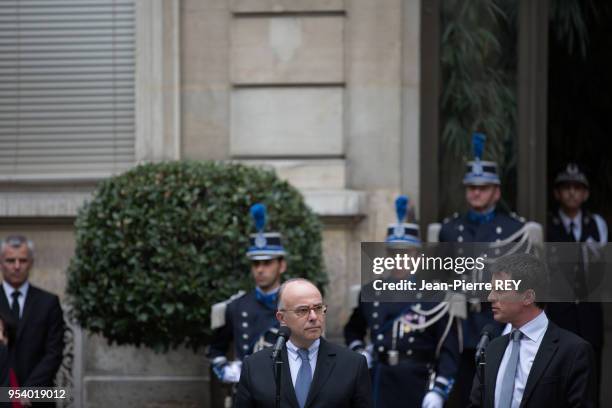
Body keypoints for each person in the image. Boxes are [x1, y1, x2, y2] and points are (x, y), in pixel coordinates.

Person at [344, 195, 459, 408]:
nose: (399, 259)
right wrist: (359, 351)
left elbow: (449, 351)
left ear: (416, 255)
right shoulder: (371, 292)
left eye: (405, 253)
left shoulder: (434, 296)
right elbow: (352, 329)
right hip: (379, 381)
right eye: (394, 252)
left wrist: (439, 391)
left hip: (417, 382)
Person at [438, 133, 525, 407]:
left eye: (484, 187)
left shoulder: (513, 230)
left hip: (499, 324)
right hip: (460, 329)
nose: (476, 192)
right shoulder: (450, 229)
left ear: (496, 192)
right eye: (472, 187)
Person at [469, 253, 596, 408]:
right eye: (491, 289)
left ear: (528, 297)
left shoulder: (574, 351)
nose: (490, 297)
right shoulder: (492, 349)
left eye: (500, 290)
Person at [234, 278, 372, 408]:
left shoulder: (353, 364)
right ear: (281, 318)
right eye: (303, 310)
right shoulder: (254, 367)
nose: (313, 317)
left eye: (318, 308)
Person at [207, 203, 287, 403]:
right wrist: (226, 369)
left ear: (282, 265)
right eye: (256, 264)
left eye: (267, 263)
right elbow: (215, 349)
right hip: (246, 395)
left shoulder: (297, 304)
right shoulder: (236, 306)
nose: (260, 270)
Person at [546, 163, 607, 406]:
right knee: (560, 382)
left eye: (577, 187)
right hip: (560, 316)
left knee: (591, 383)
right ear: (557, 193)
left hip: (591, 317)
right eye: (566, 187)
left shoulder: (598, 224)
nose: (572, 192)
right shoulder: (548, 225)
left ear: (586, 194)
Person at [0, 235, 65, 408]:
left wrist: (30, 391)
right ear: (1, 263)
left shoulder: (49, 302)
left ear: (31, 263)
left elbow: (54, 352)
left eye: (22, 260)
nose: (16, 266)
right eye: (10, 260)